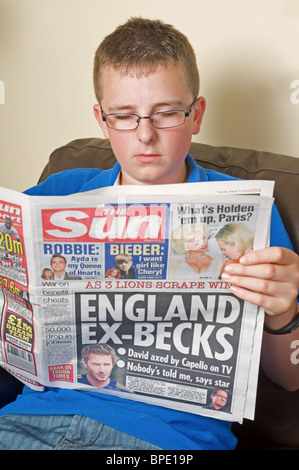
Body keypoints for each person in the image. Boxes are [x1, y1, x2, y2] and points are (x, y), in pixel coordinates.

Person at [0, 17, 298, 451]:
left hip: (163, 441)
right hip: (26, 424)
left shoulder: (248, 214)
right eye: (123, 116)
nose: (145, 134)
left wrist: (283, 310)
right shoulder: (58, 191)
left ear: (196, 115)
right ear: (101, 121)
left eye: (166, 113)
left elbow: (290, 380)